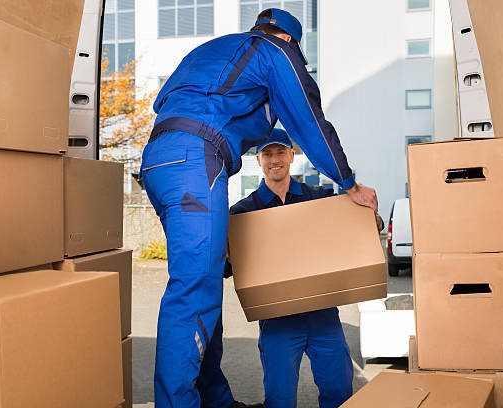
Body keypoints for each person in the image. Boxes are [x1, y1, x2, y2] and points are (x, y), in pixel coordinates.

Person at [139, 7, 378, 408]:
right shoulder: (273, 51)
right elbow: (308, 119)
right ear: (290, 41)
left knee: (203, 280)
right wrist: (348, 182)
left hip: (159, 162)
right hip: (196, 159)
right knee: (194, 289)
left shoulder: (216, 50)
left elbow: (169, 105)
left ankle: (214, 399)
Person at [226, 129, 383, 408]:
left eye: (280, 152)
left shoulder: (319, 198)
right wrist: (225, 252)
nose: (275, 160)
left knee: (339, 392)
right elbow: (227, 268)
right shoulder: (243, 213)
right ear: (259, 160)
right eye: (267, 154)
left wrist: (372, 219)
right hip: (278, 320)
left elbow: (357, 228)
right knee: (280, 400)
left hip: (323, 315)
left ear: (291, 155)